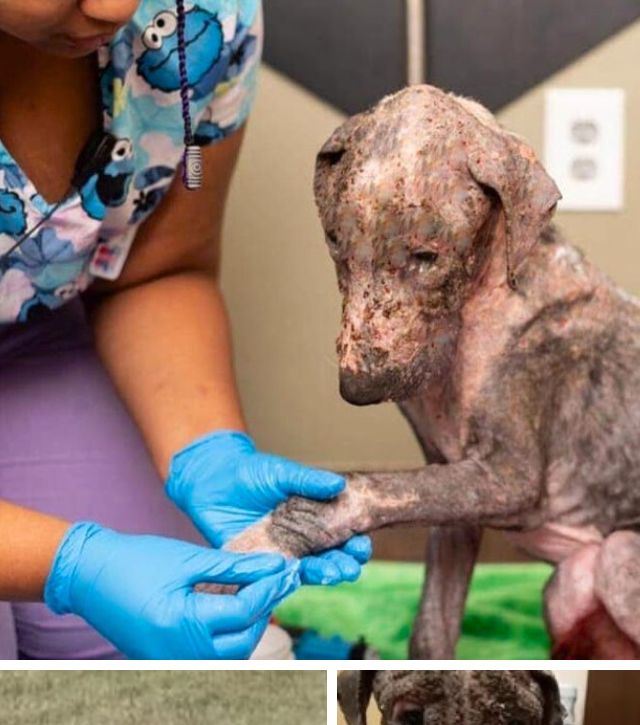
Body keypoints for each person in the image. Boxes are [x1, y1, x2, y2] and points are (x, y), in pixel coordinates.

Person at [0, 0, 369, 659]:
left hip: (29, 344)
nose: (114, 7)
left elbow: (159, 270)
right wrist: (70, 565)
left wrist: (207, 453)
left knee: (180, 644)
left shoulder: (203, 21)